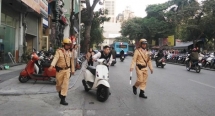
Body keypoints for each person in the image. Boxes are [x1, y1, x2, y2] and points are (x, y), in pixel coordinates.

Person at [48, 38, 75, 105]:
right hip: (60, 71)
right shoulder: (59, 51)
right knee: (58, 84)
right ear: (64, 45)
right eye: (67, 45)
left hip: (67, 70)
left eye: (69, 45)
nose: (69, 46)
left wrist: (72, 70)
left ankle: (63, 99)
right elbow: (55, 58)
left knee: (65, 84)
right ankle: (60, 92)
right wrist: (52, 66)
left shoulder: (70, 52)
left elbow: (72, 61)